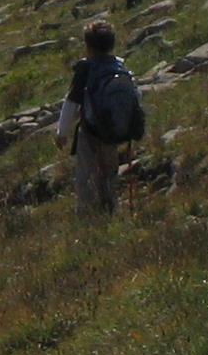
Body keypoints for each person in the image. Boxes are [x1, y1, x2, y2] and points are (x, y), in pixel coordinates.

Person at [57, 18, 143, 218]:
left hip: (90, 129)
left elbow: (71, 102)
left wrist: (62, 132)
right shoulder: (119, 66)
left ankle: (86, 214)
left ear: (88, 45)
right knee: (109, 171)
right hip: (113, 129)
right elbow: (135, 96)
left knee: (85, 174)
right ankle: (110, 208)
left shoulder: (86, 68)